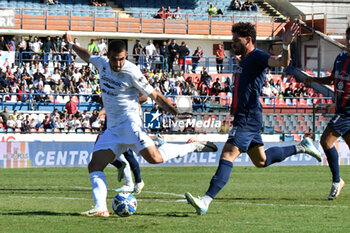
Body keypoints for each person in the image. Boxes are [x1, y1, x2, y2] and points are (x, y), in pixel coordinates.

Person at [63, 32, 217, 217]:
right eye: (114, 59)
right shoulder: (102, 63)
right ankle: (100, 208)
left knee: (155, 159)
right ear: (108, 56)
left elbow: (155, 96)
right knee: (95, 166)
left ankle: (190, 147)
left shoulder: (132, 71)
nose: (118, 63)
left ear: (125, 57)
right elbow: (87, 55)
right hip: (112, 130)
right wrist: (71, 45)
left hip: (130, 125)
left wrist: (175, 113)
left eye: (121, 59)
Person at [185, 22, 322, 215]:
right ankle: (302, 146)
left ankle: (206, 200)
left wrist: (285, 45)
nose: (232, 43)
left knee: (227, 155)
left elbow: (281, 63)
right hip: (245, 117)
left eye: (236, 40)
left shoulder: (258, 56)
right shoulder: (245, 59)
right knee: (261, 161)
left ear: (248, 40)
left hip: (247, 118)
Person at [304, 26, 349, 200]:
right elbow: (332, 79)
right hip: (341, 109)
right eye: (348, 38)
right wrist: (314, 79)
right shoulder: (341, 58)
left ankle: (337, 181)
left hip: (347, 112)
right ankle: (339, 181)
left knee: (325, 140)